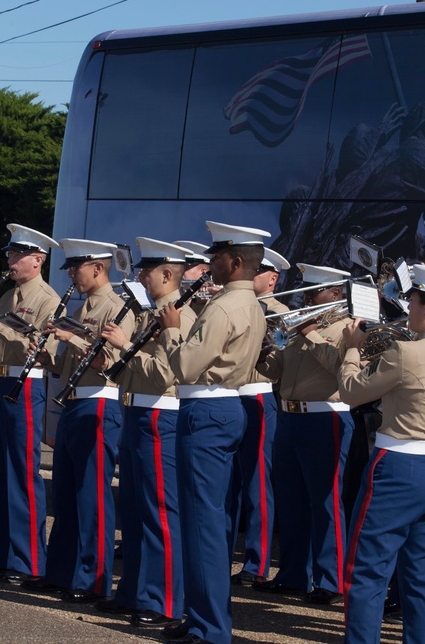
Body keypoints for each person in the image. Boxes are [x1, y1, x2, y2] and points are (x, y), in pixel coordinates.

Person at [337, 261, 425, 644]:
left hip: (398, 465)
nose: (409, 306)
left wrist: (352, 350)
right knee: (422, 576)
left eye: (413, 299)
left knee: (366, 572)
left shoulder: (404, 352)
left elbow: (352, 392)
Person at [157, 221, 267, 644]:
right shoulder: (250, 304)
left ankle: (209, 627)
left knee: (202, 521)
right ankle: (203, 616)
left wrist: (170, 329)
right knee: (210, 520)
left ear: (235, 261)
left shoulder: (222, 307)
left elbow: (185, 366)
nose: (210, 264)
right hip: (224, 407)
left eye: (216, 257)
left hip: (206, 408)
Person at [26, 238, 136, 602]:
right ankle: (60, 572)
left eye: (77, 267)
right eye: (70, 268)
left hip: (99, 405)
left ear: (98, 268)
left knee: (92, 497)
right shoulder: (82, 307)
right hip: (74, 404)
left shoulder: (117, 308)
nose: (72, 274)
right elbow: (67, 364)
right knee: (67, 495)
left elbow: (107, 363)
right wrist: (45, 357)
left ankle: (93, 580)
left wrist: (70, 338)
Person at [95, 237, 197, 628]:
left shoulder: (180, 317)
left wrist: (123, 351)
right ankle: (134, 591)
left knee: (159, 512)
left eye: (146, 270)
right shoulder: (148, 312)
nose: (139, 275)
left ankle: (163, 600)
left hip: (159, 415)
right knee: (134, 510)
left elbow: (166, 374)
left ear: (168, 274)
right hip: (135, 411)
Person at [0, 224, 61, 584]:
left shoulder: (48, 299)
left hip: (27, 384)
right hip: (1, 380)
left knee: (21, 471)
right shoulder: (6, 297)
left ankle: (28, 561)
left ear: (38, 260)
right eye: (9, 253)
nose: (10, 259)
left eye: (17, 254)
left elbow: (42, 351)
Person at [254, 264, 353, 605]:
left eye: (315, 293)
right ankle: (294, 574)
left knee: (324, 502)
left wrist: (310, 332)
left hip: (325, 418)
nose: (307, 299)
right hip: (290, 416)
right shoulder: (297, 326)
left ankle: (331, 580)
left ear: (335, 295)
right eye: (306, 292)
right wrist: (263, 355)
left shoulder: (346, 328)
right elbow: (278, 370)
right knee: (291, 501)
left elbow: (340, 368)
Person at [229, 247, 290, 586]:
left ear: (272, 278)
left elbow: (277, 361)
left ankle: (257, 561)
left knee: (255, 484)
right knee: (228, 485)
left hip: (255, 395)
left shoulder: (279, 312)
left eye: (258, 271)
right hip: (228, 395)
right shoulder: (235, 302)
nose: (251, 276)